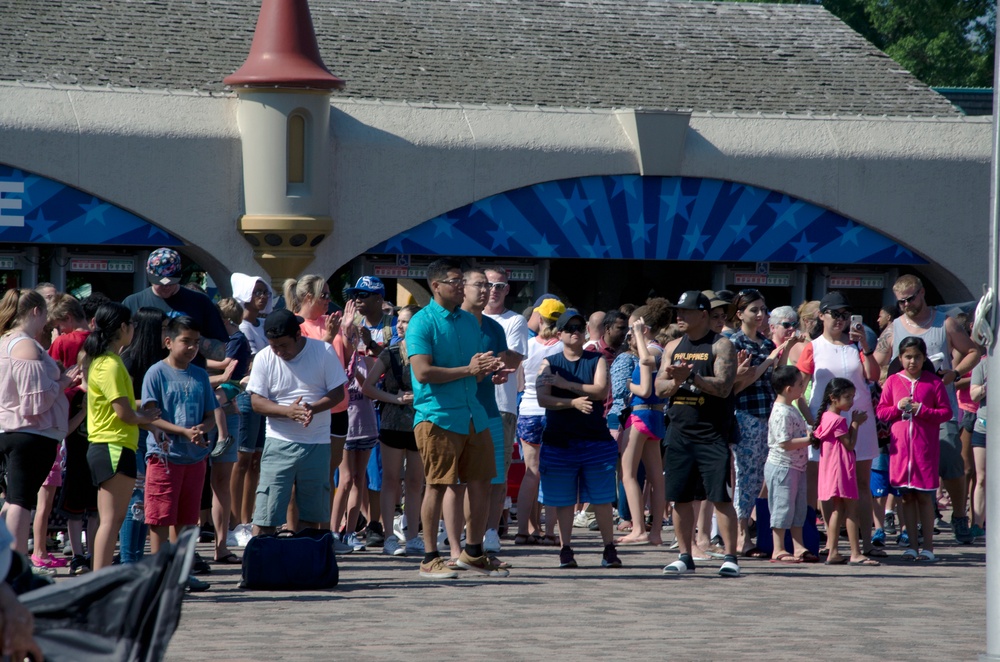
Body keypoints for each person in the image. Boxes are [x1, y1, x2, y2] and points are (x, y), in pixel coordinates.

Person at [406, 258, 507, 579]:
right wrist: (469, 370)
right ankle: (429, 557)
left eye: (462, 280)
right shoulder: (422, 322)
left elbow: (475, 374)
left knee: (481, 484)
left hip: (474, 416)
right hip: (437, 417)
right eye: (454, 281)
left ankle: (474, 552)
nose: (461, 286)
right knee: (437, 485)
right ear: (436, 286)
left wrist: (489, 370)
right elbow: (422, 372)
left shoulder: (468, 322)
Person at [873, 274, 981, 544]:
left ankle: (958, 515)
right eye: (901, 302)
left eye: (910, 299)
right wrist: (885, 376)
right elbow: (876, 365)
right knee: (907, 466)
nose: (907, 305)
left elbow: (973, 351)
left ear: (922, 293)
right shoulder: (894, 328)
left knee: (950, 461)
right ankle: (913, 526)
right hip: (903, 412)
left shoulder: (944, 324)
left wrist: (954, 373)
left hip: (939, 406)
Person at [655, 291, 741, 577]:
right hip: (679, 431)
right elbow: (659, 388)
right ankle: (684, 554)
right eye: (677, 311)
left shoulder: (721, 345)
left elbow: (724, 386)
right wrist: (676, 382)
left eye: (685, 312)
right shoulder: (672, 346)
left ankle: (730, 556)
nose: (679, 316)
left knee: (720, 497)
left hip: (711, 432)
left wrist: (690, 378)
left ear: (703, 314)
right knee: (679, 497)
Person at [247, 309, 347, 536]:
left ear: (298, 335)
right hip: (278, 443)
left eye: (283, 345)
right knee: (266, 515)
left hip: (317, 444)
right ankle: (261, 565)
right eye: (274, 346)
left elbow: (338, 394)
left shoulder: (323, 351)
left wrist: (312, 408)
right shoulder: (264, 357)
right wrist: (286, 412)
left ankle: (305, 564)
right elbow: (256, 402)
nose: (279, 352)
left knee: (312, 518)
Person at [797, 291, 881, 559]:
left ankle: (866, 544)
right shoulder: (813, 346)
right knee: (826, 484)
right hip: (827, 423)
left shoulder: (856, 345)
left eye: (846, 315)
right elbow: (798, 388)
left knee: (862, 481)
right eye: (835, 314)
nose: (841, 320)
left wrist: (866, 346)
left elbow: (874, 376)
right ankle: (829, 544)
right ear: (822, 315)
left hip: (860, 418)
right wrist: (809, 421)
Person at [536, 309, 622, 569]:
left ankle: (609, 549)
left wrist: (566, 384)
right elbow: (543, 399)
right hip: (559, 440)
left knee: (602, 498)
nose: (575, 332)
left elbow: (600, 390)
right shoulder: (548, 362)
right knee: (563, 500)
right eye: (569, 328)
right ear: (559, 333)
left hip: (594, 439)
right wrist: (572, 402)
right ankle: (566, 549)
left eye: (579, 327)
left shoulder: (596, 359)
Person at [84, 303, 161, 571]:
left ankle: (101, 577)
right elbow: (123, 414)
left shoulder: (108, 361)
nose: (135, 330)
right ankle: (100, 578)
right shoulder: (110, 365)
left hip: (113, 445)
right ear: (123, 328)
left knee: (112, 519)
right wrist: (147, 420)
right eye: (132, 325)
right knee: (111, 520)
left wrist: (144, 416)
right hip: (113, 446)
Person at [0, 288, 73, 560]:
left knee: (13, 500)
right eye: (45, 314)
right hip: (29, 433)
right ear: (35, 311)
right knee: (21, 501)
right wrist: (64, 382)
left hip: (10, 429)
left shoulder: (5, 341)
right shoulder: (25, 344)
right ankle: (16, 564)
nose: (47, 323)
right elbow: (36, 402)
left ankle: (10, 563)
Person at [142, 317, 218, 564]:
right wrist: (182, 431)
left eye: (196, 342)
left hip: (194, 458)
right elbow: (150, 417)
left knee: (187, 518)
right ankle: (159, 570)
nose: (192, 347)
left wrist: (201, 429)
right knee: (161, 517)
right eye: (185, 341)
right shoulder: (156, 373)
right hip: (164, 458)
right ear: (168, 342)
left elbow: (210, 416)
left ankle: (181, 570)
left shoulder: (200, 375)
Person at [729, 289, 795, 556]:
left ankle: (763, 533)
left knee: (765, 478)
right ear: (740, 314)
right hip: (745, 415)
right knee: (746, 476)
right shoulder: (734, 343)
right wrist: (768, 362)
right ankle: (741, 536)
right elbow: (735, 385)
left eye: (763, 309)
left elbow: (776, 382)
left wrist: (783, 353)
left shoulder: (767, 344)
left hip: (769, 416)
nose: (760, 314)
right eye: (754, 310)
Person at [876, 337, 953, 562]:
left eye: (917, 357)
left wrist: (922, 410)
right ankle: (910, 544)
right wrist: (896, 408)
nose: (912, 361)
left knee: (925, 498)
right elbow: (881, 412)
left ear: (924, 358)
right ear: (900, 358)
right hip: (901, 452)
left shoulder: (933, 382)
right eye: (908, 357)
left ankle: (928, 547)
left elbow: (946, 413)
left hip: (924, 450)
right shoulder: (892, 381)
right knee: (906, 497)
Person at [363, 304, 425, 557]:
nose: (399, 325)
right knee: (390, 480)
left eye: (406, 321)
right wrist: (394, 398)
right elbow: (368, 387)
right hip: (392, 423)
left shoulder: (427, 353)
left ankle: (412, 536)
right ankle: (389, 536)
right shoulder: (389, 353)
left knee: (415, 482)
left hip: (420, 423)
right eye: (398, 321)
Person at [46, 294, 96, 575]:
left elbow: (53, 378)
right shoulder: (100, 339)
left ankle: (77, 553)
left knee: (73, 493)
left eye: (59, 325)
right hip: (97, 424)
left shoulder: (62, 342)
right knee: (95, 498)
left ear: (66, 319)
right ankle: (93, 552)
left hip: (70, 417)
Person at [483, 267, 529, 551]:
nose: (494, 290)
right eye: (489, 284)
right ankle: (466, 530)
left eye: (500, 285)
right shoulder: (467, 318)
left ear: (507, 289)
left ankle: (490, 531)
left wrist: (478, 356)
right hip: (471, 401)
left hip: (502, 405)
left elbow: (513, 358)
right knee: (470, 474)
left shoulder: (515, 320)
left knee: (497, 473)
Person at [514, 297, 566, 546]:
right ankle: (550, 532)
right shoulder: (562, 348)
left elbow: (520, 383)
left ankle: (523, 530)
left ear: (540, 317)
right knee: (553, 473)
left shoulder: (526, 344)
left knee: (530, 473)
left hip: (527, 410)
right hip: (553, 412)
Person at [122, 248, 230, 367]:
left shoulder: (200, 302)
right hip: (145, 378)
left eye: (171, 282)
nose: (166, 287)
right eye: (160, 282)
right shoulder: (133, 303)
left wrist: (187, 337)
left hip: (189, 378)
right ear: (148, 274)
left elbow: (221, 353)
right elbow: (119, 348)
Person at [119, 307, 168, 566]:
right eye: (164, 329)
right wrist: (150, 404)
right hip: (132, 435)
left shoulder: (161, 361)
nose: (168, 335)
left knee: (146, 502)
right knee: (135, 501)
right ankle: (129, 561)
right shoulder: (128, 360)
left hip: (153, 435)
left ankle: (136, 559)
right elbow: (119, 403)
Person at [811, 378, 877, 566]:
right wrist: (855, 424)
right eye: (847, 397)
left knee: (837, 510)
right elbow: (849, 444)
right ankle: (855, 553)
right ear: (833, 398)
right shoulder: (838, 420)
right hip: (841, 469)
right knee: (851, 510)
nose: (851, 401)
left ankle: (833, 551)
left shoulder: (825, 417)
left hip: (831, 470)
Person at [230, 273, 274, 532]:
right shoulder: (242, 328)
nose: (263, 296)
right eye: (257, 292)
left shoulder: (262, 326)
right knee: (242, 459)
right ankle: (235, 520)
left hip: (263, 395)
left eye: (265, 292)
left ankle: (247, 518)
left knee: (256, 460)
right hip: (246, 396)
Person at [615, 315, 665, 546]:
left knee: (628, 474)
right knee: (656, 477)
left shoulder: (651, 351)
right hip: (653, 416)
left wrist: (628, 385)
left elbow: (644, 389)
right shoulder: (657, 350)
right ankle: (654, 532)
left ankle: (639, 529)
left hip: (641, 414)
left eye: (631, 333)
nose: (629, 339)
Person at [330, 318, 379, 552]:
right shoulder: (336, 359)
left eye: (356, 336)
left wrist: (357, 365)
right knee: (346, 479)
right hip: (347, 428)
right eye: (349, 336)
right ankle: (332, 530)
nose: (353, 340)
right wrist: (347, 363)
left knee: (360, 479)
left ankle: (350, 532)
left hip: (366, 425)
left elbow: (370, 389)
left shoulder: (367, 360)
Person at [765, 365, 816, 563]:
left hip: (796, 466)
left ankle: (798, 546)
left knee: (797, 508)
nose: (803, 387)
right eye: (800, 384)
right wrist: (811, 439)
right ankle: (778, 548)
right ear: (788, 389)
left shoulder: (790, 409)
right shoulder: (781, 412)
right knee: (782, 506)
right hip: (783, 467)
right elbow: (784, 443)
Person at [346, 275, 397, 353]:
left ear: (378, 298)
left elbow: (395, 360)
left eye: (363, 294)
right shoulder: (353, 323)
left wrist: (371, 344)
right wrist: (345, 329)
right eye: (356, 295)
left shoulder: (395, 325)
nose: (357, 300)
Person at [969, 357, 988, 539]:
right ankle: (977, 523)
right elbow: (973, 395)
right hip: (984, 427)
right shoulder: (982, 364)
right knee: (981, 477)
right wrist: (987, 386)